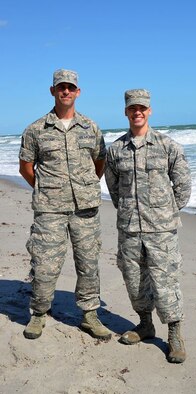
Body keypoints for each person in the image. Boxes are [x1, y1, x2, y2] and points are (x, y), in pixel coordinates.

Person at [19, 69, 111, 341]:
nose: (66, 91)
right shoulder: (36, 129)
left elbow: (100, 163)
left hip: (85, 209)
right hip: (50, 210)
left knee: (88, 263)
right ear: (53, 91)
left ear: (78, 92)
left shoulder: (91, 127)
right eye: (61, 87)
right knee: (45, 264)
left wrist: (85, 187)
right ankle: (38, 313)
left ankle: (90, 315)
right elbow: (26, 168)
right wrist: (48, 190)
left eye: (71, 87)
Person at [104, 89, 191, 363]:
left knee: (165, 282)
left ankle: (175, 334)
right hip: (129, 229)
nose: (137, 112)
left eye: (142, 108)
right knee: (134, 281)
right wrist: (132, 212)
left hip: (161, 231)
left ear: (149, 110)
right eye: (132, 108)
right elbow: (114, 188)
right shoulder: (116, 150)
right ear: (126, 112)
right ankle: (145, 324)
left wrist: (164, 214)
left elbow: (183, 187)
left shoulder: (168, 146)